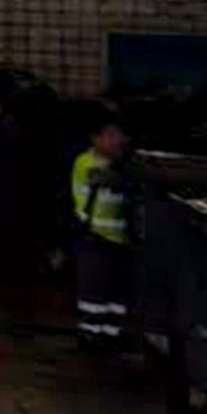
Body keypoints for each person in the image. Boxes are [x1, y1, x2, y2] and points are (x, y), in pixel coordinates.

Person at [68, 118, 136, 348]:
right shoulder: (87, 162)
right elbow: (104, 178)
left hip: (120, 240)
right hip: (95, 237)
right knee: (94, 289)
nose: (119, 140)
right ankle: (90, 334)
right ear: (95, 139)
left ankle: (110, 333)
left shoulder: (125, 164)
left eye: (120, 136)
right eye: (111, 135)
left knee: (116, 291)